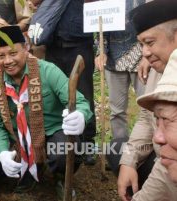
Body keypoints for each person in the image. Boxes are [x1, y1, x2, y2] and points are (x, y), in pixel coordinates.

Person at [0, 25, 92, 200]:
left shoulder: (47, 71)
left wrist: (79, 115)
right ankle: (21, 172)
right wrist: (3, 152)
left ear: (25, 49)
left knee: (64, 152)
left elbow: (78, 101)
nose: (8, 61)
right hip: (16, 138)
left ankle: (60, 177)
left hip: (50, 133)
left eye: (13, 53)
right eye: (0, 56)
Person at [108, 0, 177, 200]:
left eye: (150, 43)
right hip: (161, 160)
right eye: (141, 44)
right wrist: (128, 162)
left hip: (167, 166)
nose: (144, 53)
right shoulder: (158, 68)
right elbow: (147, 117)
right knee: (118, 150)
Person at [39, 0, 97, 165]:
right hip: (53, 46)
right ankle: (60, 138)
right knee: (55, 93)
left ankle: (87, 144)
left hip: (80, 45)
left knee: (85, 94)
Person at [95, 0, 146, 140]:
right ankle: (120, 149)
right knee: (117, 112)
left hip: (142, 58)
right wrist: (101, 51)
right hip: (113, 60)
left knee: (148, 108)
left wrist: (148, 55)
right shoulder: (107, 1)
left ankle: (148, 148)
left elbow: (152, 25)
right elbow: (102, 28)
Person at [134, 49, 177, 200]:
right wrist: (128, 159)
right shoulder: (167, 164)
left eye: (168, 120)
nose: (157, 137)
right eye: (158, 120)